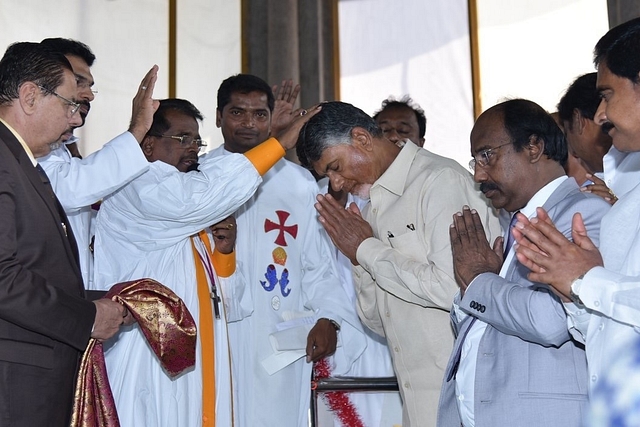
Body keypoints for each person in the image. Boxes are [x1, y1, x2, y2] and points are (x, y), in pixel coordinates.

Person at [91, 97, 317, 426]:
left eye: (197, 140)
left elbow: (229, 306)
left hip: (200, 363)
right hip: (146, 356)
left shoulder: (186, 200)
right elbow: (197, 199)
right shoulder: (135, 186)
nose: (194, 148)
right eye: (183, 139)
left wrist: (224, 256)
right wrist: (278, 143)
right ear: (149, 144)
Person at [296, 101, 501, 427]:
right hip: (417, 400)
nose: (335, 184)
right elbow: (380, 322)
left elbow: (454, 289)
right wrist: (358, 260)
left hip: (468, 394)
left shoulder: (438, 181)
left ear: (362, 139)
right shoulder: (371, 204)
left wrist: (366, 249)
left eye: (335, 167)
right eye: (327, 175)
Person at [437, 99, 610, 427]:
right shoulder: (515, 225)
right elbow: (489, 324)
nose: (477, 175)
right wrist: (469, 294)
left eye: (487, 155)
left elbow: (552, 320)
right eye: (474, 161)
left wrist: (478, 280)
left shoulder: (583, 214)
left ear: (533, 147)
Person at [207, 74, 365, 427]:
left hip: (276, 337)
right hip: (217, 334)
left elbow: (318, 265)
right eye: (237, 112)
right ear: (218, 116)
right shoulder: (200, 175)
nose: (249, 123)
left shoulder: (297, 182)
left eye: (260, 114)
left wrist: (330, 318)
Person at [0, 41, 127, 427]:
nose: (76, 120)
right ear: (30, 96)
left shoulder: (22, 161)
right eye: (70, 104)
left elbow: (35, 268)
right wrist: (87, 317)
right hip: (14, 383)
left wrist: (108, 302)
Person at [512, 16, 640, 395]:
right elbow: (609, 330)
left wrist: (588, 278)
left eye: (608, 94)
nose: (600, 115)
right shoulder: (626, 202)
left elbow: (606, 288)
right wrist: (570, 290)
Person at [38, 38, 152, 287]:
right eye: (78, 82)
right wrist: (137, 130)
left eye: (91, 86)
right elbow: (69, 189)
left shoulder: (63, 149)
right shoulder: (24, 146)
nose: (89, 95)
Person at [317, 178, 403, 427]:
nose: (338, 179)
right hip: (346, 334)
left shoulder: (398, 198)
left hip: (392, 329)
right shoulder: (318, 200)